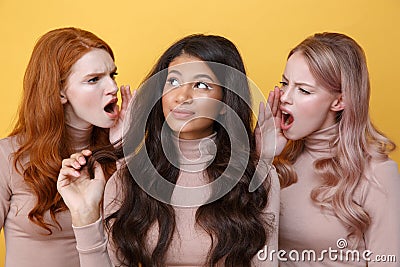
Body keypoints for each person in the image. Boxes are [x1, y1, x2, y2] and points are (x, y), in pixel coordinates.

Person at [57, 34, 279, 267]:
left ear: (226, 103)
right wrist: (85, 216)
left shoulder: (257, 178)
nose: (181, 97)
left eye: (201, 85)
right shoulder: (128, 177)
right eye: (173, 81)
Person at [0, 27, 132, 267]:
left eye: (112, 75)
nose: (112, 88)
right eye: (94, 79)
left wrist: (124, 149)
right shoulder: (7, 156)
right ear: (59, 91)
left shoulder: (123, 153)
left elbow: (135, 246)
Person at [266, 32, 400, 266]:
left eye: (304, 90)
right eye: (285, 84)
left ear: (339, 101)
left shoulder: (377, 173)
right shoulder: (275, 162)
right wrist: (262, 157)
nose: (285, 98)